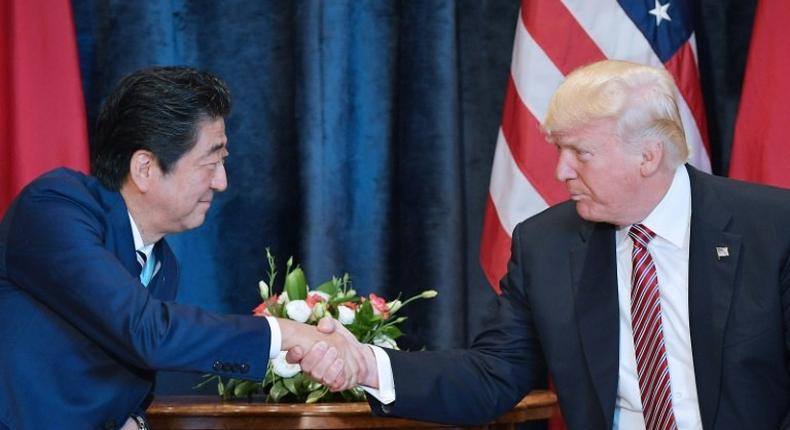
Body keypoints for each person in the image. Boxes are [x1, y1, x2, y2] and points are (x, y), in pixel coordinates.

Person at [292, 60, 790, 429]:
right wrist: (368, 364)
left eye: (581, 153)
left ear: (647, 155)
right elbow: (493, 375)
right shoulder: (546, 244)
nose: (560, 172)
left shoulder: (773, 228)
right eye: (559, 150)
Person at [0, 66, 362, 430]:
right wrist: (288, 333)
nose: (222, 182)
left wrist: (136, 422)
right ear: (145, 168)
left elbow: (127, 380)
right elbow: (144, 332)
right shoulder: (54, 206)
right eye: (211, 161)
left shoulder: (162, 263)